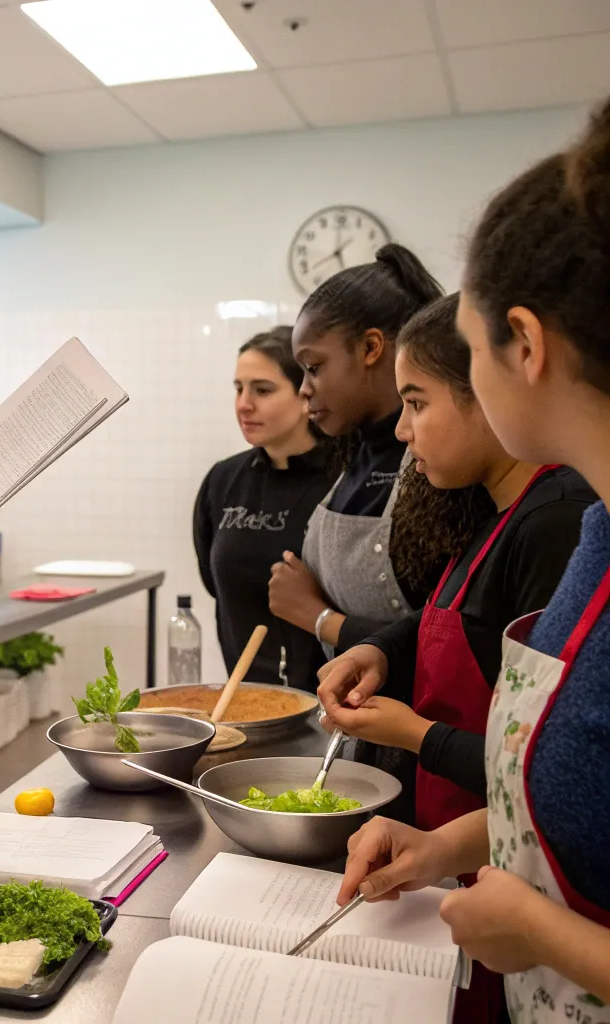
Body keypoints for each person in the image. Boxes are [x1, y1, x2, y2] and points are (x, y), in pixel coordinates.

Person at [336, 98, 610, 1021]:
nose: (406, 431)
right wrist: (445, 847)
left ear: (523, 345)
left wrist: (546, 936)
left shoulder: (567, 515)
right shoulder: (598, 538)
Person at [269, 243, 445, 821]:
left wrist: (315, 616)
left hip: (426, 760)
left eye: (313, 367)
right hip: (358, 745)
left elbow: (446, 640)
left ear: (371, 348)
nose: (303, 388)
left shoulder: (436, 471)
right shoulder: (353, 457)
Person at [193, 327, 337, 691]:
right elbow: (216, 585)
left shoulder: (343, 480)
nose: (243, 403)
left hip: (329, 701)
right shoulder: (223, 480)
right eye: (238, 388)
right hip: (247, 700)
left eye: (262, 389)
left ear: (306, 394)